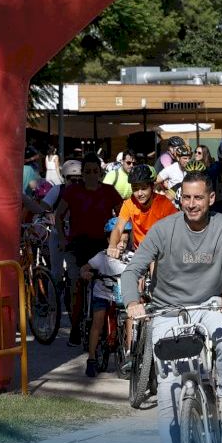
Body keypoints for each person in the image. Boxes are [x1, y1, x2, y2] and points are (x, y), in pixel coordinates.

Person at [121, 171, 222, 443]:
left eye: (198, 198)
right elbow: (134, 269)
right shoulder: (164, 229)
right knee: (167, 392)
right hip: (168, 310)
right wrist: (133, 302)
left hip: (211, 304)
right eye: (186, 198)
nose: (191, 204)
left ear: (211, 199)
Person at [56, 154, 124, 346]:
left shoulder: (109, 191)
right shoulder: (72, 191)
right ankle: (75, 327)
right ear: (82, 173)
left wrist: (119, 239)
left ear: (100, 173)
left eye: (95, 171)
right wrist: (62, 238)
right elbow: (59, 215)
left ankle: (106, 330)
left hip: (102, 245)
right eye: (87, 171)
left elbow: (122, 216)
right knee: (76, 284)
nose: (91, 175)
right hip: (77, 245)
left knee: (106, 286)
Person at [81, 218, 131, 377]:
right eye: (119, 241)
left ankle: (129, 352)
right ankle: (91, 358)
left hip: (121, 296)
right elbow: (85, 267)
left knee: (130, 317)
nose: (122, 245)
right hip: (102, 294)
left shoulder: (130, 257)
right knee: (98, 321)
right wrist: (85, 273)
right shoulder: (102, 257)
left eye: (125, 241)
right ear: (109, 240)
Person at [109, 165, 177, 256]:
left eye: (144, 188)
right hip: (139, 253)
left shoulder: (164, 203)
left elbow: (176, 231)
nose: (139, 193)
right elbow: (118, 227)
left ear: (152, 187)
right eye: (135, 189)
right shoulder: (129, 203)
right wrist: (112, 246)